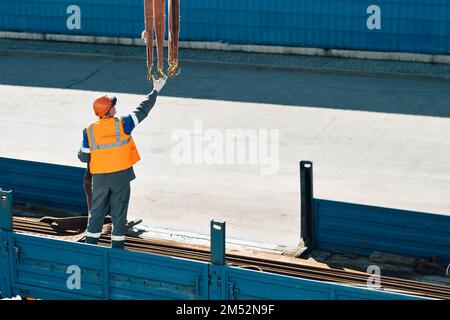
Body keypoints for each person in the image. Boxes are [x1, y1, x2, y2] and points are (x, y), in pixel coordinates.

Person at [78, 76, 167, 249]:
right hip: (121, 178)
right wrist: (155, 91)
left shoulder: (89, 129)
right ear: (109, 110)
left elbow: (84, 157)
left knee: (96, 214)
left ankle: (90, 248)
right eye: (113, 105)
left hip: (100, 180)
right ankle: (117, 250)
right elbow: (142, 110)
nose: (116, 107)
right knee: (119, 215)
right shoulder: (123, 124)